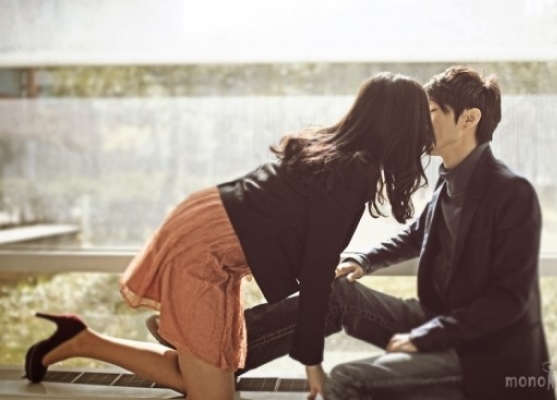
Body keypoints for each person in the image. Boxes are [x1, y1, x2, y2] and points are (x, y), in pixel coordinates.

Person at [149, 66, 553, 399]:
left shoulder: (511, 192)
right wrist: (365, 259)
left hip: (480, 349)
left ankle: (205, 353)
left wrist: (428, 336)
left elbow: (508, 301)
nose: (419, 121)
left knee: (345, 381)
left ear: (469, 119)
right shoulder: (450, 180)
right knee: (338, 293)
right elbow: (418, 234)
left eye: (430, 110)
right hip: (435, 319)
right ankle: (217, 351)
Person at [24, 72, 434, 400]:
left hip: (206, 223)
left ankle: (81, 340)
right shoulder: (351, 170)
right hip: (204, 248)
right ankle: (86, 341)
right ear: (399, 125)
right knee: (212, 396)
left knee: (210, 380)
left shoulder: (332, 148)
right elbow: (316, 271)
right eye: (420, 121)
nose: (423, 134)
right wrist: (313, 364)